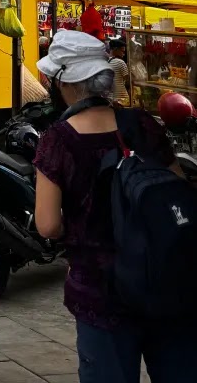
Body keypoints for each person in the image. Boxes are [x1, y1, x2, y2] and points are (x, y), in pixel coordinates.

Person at [34, 30, 187, 382]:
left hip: (101, 293)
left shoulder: (58, 140)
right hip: (166, 280)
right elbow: (177, 186)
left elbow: (47, 225)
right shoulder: (142, 123)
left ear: (66, 83)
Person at [107, 38, 130, 105]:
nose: (124, 54)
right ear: (116, 50)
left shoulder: (106, 61)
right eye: (122, 51)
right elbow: (128, 82)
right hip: (122, 99)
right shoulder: (120, 62)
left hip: (111, 99)